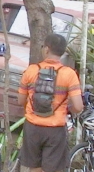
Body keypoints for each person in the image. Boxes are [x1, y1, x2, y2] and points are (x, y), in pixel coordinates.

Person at [18, 33, 83, 172]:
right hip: (55, 129)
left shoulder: (31, 70)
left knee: (34, 167)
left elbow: (21, 100)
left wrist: (32, 110)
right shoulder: (69, 74)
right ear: (63, 51)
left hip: (32, 126)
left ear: (46, 49)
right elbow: (78, 106)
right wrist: (67, 108)